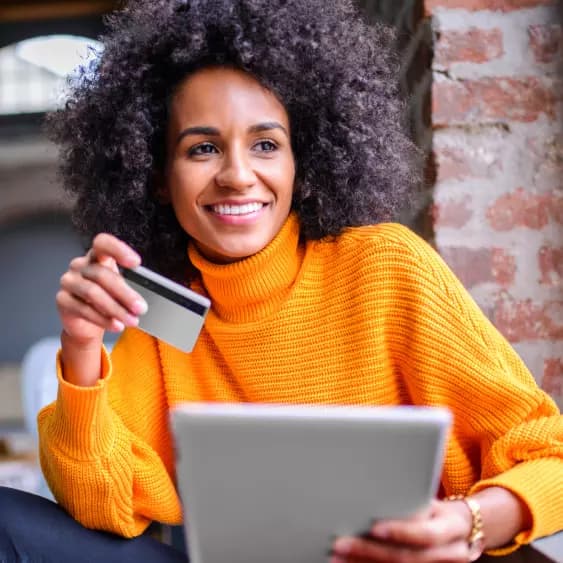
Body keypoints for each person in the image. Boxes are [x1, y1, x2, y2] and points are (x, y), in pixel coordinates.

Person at [1, 0, 562, 561]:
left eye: (266, 144)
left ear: (304, 160)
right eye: (203, 148)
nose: (238, 175)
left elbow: (552, 458)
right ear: (155, 177)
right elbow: (103, 504)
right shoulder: (166, 309)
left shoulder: (385, 267)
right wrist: (80, 348)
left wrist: (469, 524)